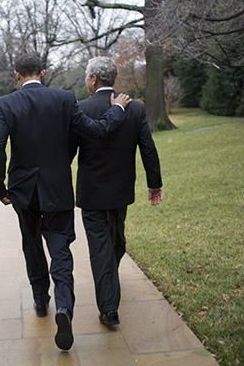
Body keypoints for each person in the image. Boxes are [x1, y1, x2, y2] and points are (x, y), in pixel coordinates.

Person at [0, 53, 131, 351]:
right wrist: (116, 110)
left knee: (31, 244)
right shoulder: (65, 100)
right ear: (43, 72)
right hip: (58, 190)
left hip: (23, 192)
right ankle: (64, 307)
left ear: (17, 75)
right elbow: (97, 131)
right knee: (60, 249)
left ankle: (41, 300)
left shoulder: (6, 104)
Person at [71, 56, 162, 326]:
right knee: (112, 242)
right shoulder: (134, 109)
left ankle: (108, 288)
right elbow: (148, 148)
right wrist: (154, 182)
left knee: (108, 246)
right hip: (120, 191)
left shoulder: (80, 109)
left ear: (94, 79)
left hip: (92, 193)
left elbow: (68, 150)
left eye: (87, 75)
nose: (86, 79)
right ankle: (109, 307)